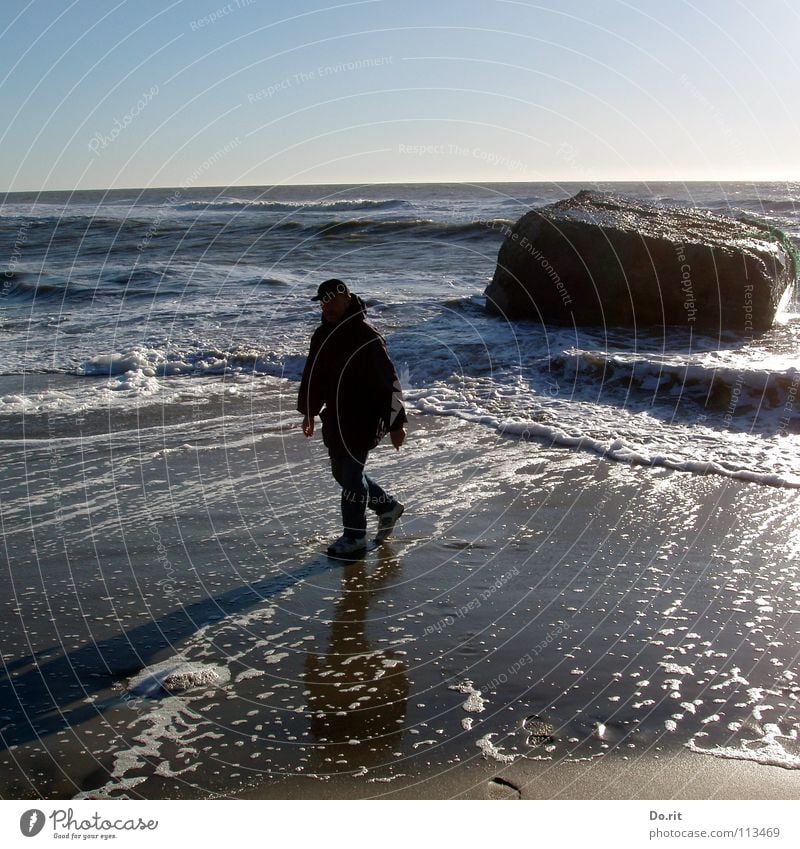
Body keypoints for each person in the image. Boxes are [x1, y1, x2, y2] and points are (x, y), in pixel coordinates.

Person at [298, 279, 407, 557]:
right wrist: (309, 411)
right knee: (341, 473)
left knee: (351, 474)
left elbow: (389, 381)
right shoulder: (321, 335)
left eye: (333, 300)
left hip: (365, 415)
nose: (328, 306)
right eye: (323, 301)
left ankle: (354, 536)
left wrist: (396, 424)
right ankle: (386, 507)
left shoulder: (366, 335)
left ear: (347, 298)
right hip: (335, 414)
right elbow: (314, 375)